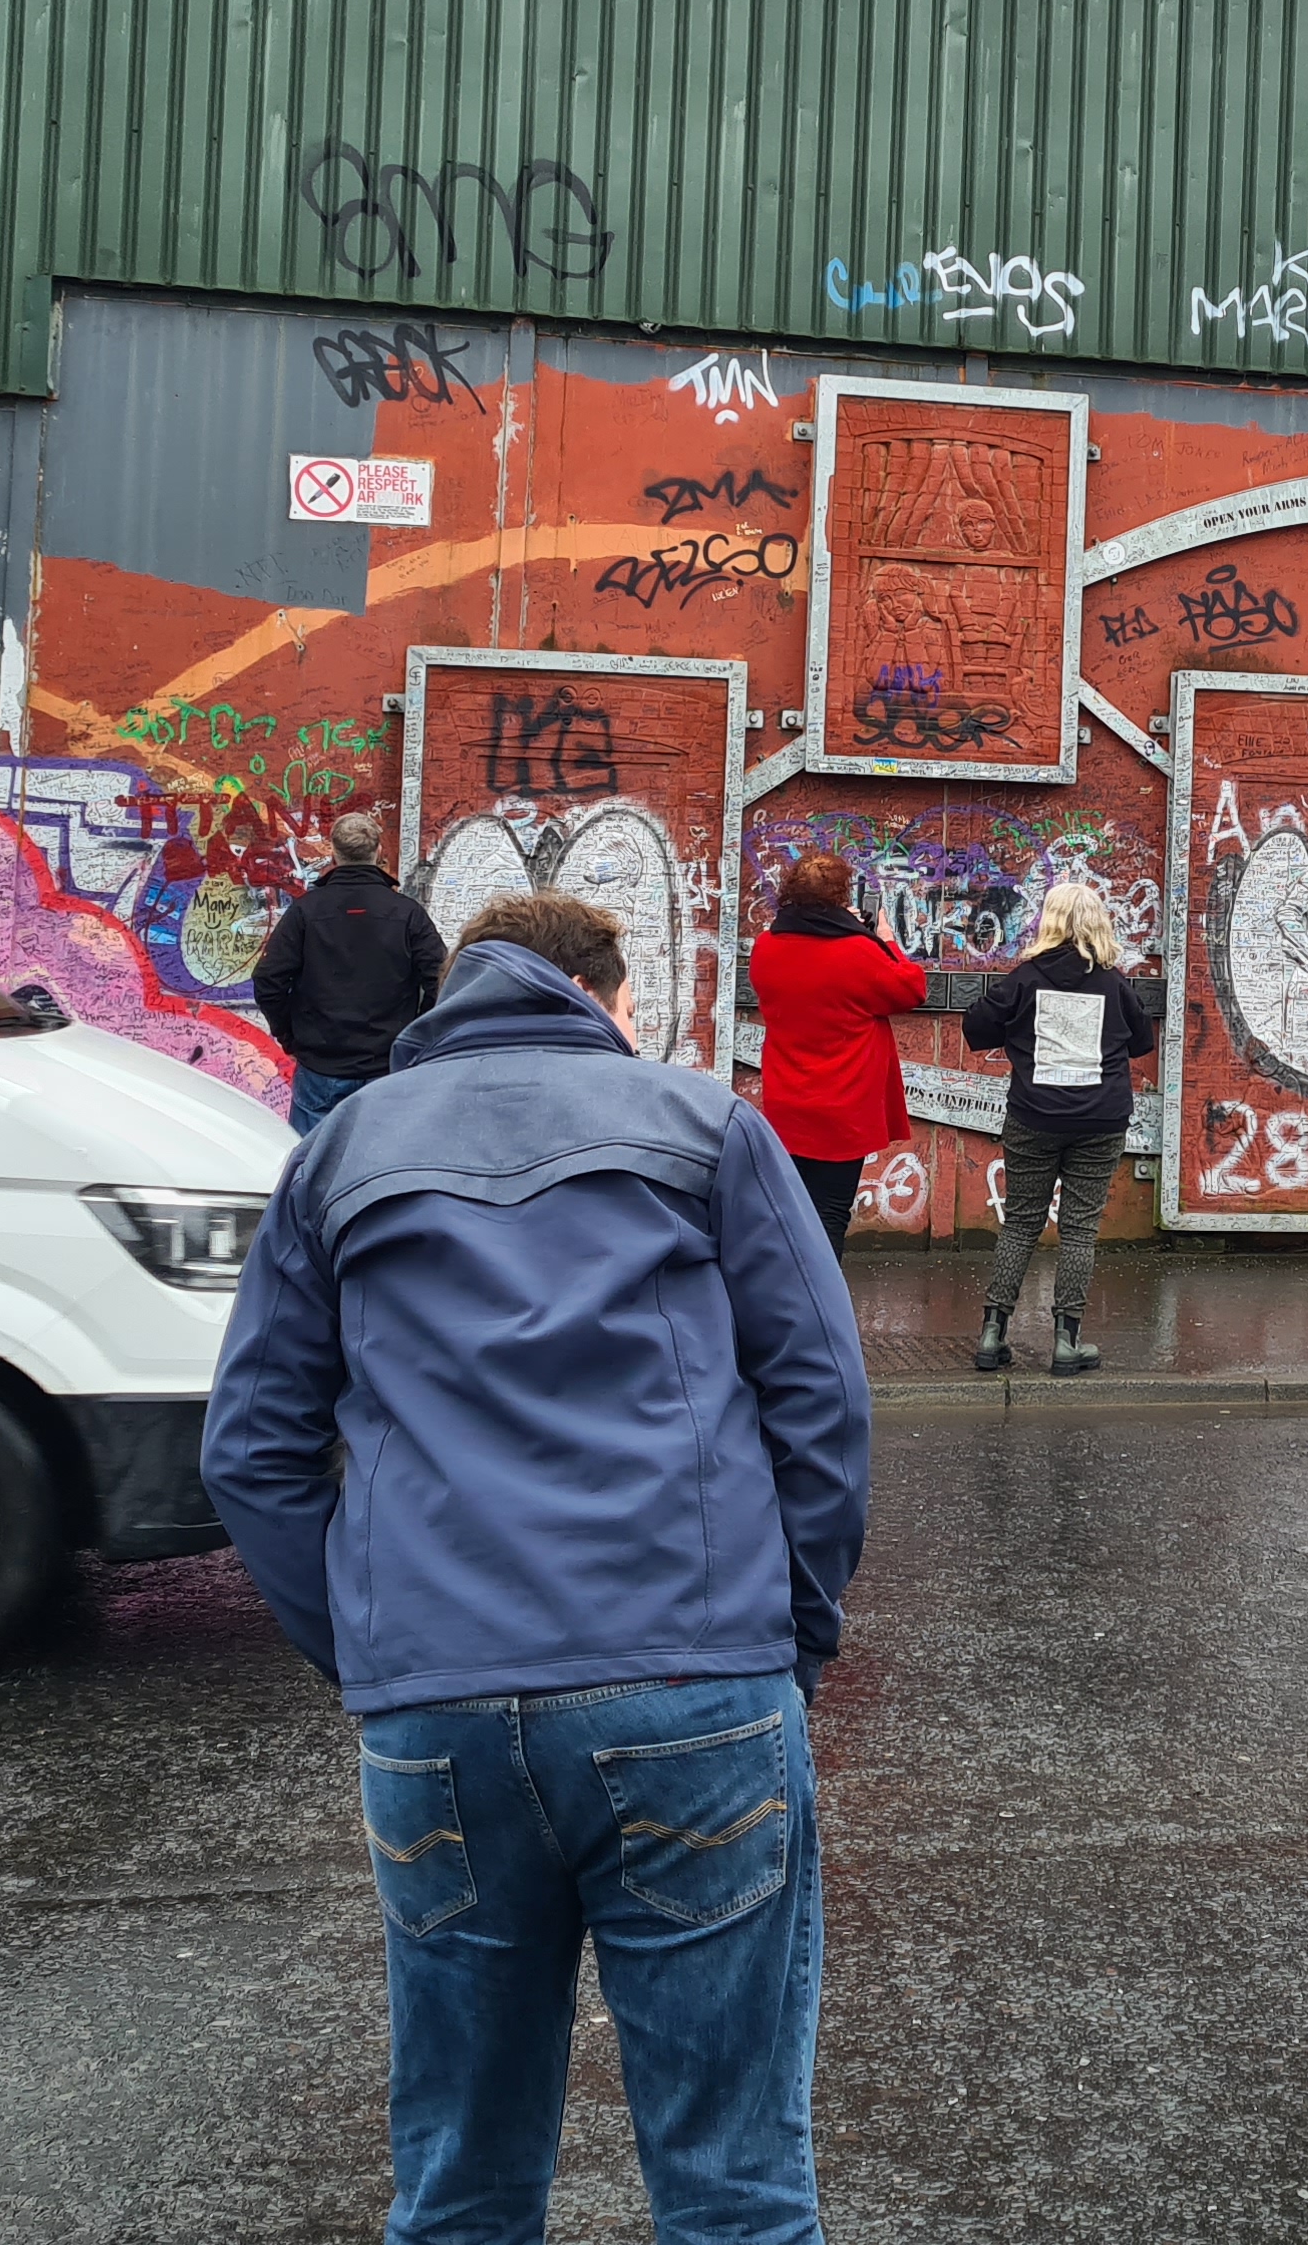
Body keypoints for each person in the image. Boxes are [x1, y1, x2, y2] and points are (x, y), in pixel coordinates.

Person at [203, 889, 870, 2245]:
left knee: (460, 2186)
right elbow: (820, 1399)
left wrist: (375, 1642)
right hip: (691, 1682)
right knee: (736, 2189)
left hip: (435, 1702)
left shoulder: (340, 1152)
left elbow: (251, 1450)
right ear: (607, 1000)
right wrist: (790, 1633)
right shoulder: (704, 1125)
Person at [956, 880, 1147, 1377]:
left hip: (1033, 1116)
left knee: (1021, 1222)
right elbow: (1142, 1040)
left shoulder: (1025, 979)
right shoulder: (1114, 983)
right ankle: (1067, 1342)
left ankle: (992, 1334)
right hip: (1101, 1119)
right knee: (1080, 1230)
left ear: (1050, 922)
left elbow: (977, 1027)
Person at [747, 850, 926, 1250]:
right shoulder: (858, 951)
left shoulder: (766, 947)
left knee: (791, 1211)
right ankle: (821, 1291)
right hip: (843, 1106)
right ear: (840, 895)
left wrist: (845, 927)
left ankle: (789, 1286)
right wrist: (885, 940)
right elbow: (911, 988)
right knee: (829, 1211)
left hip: (787, 1102)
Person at [251, 809, 448, 1133]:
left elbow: (268, 979)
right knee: (379, 1157)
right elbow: (442, 979)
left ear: (333, 852)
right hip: (386, 1065)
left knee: (311, 1160)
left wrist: (290, 1036)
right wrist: (414, 1034)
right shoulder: (407, 913)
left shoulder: (306, 911)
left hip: (321, 1066)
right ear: (379, 852)